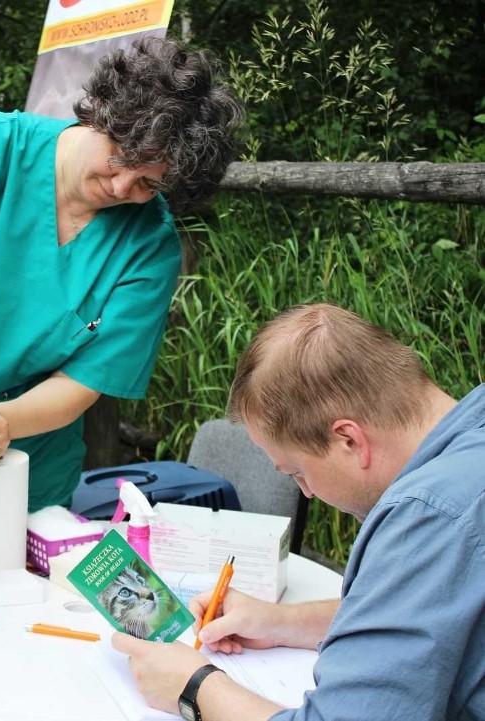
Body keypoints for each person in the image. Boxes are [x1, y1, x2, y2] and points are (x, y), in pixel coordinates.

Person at [0, 37, 244, 511]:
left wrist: (1, 422)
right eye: (121, 156)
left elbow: (84, 381)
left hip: (23, 454)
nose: (120, 186)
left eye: (148, 183)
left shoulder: (151, 245)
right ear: (100, 112)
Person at [113, 303, 484, 721]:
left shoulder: (428, 519)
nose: (305, 493)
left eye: (297, 472)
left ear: (349, 440)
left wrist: (194, 685)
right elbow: (420, 613)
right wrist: (279, 622)